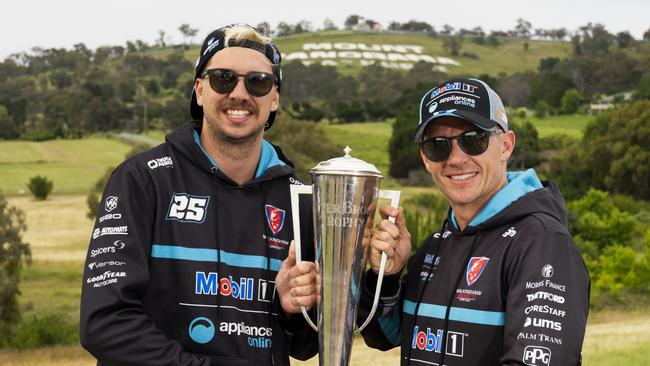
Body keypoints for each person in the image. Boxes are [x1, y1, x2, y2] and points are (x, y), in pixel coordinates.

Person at [80, 24, 318, 366]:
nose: (239, 93)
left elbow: (305, 345)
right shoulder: (141, 180)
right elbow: (104, 324)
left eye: (258, 81)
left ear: (275, 97)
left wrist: (292, 310)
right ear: (199, 90)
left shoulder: (300, 200)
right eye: (223, 78)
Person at [358, 78, 590, 365]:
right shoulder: (436, 245)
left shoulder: (541, 242)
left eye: (473, 140)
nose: (456, 159)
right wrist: (387, 275)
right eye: (438, 145)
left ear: (506, 146)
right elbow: (382, 335)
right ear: (425, 158)